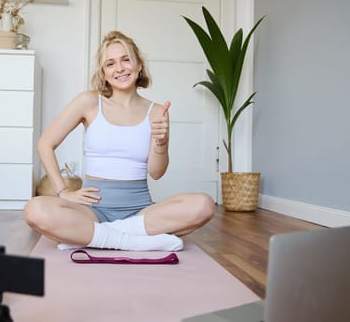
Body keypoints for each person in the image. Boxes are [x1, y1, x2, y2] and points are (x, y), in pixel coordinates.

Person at [24, 31, 215, 251]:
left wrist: (160, 145)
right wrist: (63, 192)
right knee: (34, 210)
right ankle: (132, 240)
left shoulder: (157, 112)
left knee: (204, 205)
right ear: (104, 73)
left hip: (140, 211)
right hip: (91, 210)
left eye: (126, 59)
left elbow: (156, 172)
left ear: (139, 64)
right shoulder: (88, 102)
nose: (120, 68)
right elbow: (45, 144)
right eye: (111, 63)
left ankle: (95, 237)